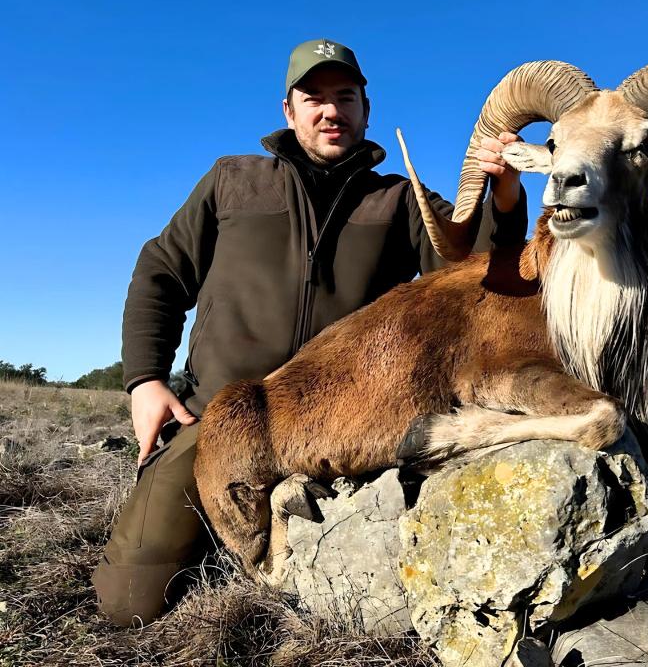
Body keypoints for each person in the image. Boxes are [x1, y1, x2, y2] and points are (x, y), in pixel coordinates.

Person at [92, 38, 527, 626]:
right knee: (127, 606)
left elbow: (472, 271)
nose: (331, 111)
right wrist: (145, 380)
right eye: (313, 97)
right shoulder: (232, 180)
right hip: (221, 415)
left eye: (345, 97)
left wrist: (503, 198)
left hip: (350, 424)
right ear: (288, 110)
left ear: (365, 110)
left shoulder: (400, 200)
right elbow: (161, 272)